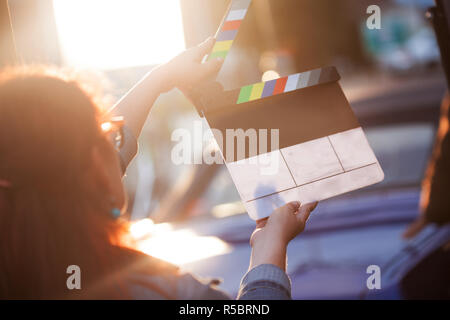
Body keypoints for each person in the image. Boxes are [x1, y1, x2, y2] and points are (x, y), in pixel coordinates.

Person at [0, 37, 317, 299]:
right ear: (96, 165)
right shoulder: (150, 291)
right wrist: (269, 248)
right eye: (107, 133)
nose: (116, 144)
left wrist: (162, 77)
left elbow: (54, 165)